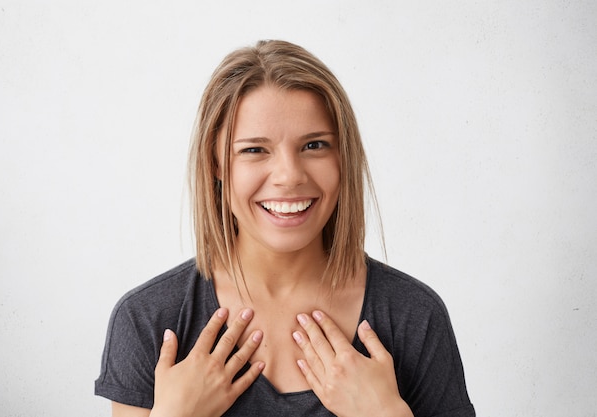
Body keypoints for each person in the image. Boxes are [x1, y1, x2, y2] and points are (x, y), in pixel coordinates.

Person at [95, 39, 475, 417]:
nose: (289, 176)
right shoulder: (148, 320)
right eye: (254, 150)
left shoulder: (415, 315)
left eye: (314, 145)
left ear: (344, 157)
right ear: (214, 163)